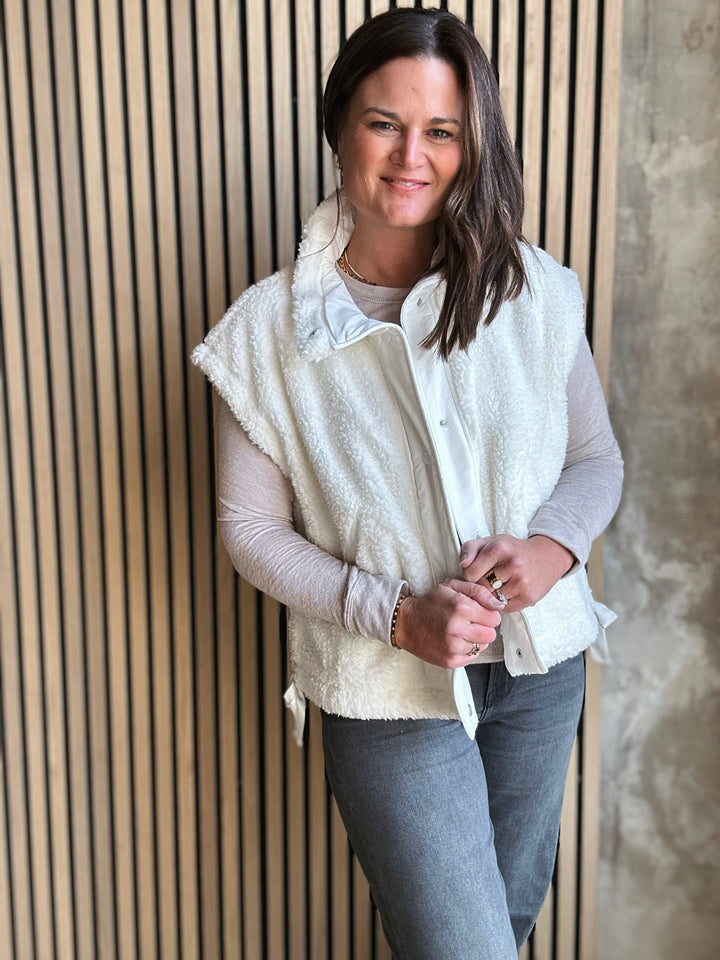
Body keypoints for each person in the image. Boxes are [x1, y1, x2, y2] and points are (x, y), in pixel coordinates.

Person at [192, 8, 622, 959]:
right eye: (385, 122)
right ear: (340, 124)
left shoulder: (532, 291)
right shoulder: (265, 336)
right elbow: (248, 530)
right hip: (385, 690)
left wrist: (550, 550)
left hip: (538, 668)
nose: (409, 157)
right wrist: (398, 615)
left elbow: (598, 462)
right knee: (461, 947)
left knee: (497, 933)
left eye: (441, 131)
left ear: (472, 147)